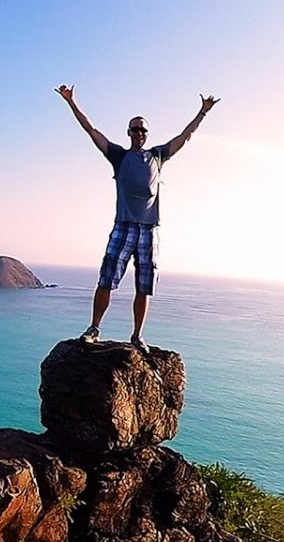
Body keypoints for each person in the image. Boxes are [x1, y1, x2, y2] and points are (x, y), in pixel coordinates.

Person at [55, 84, 218, 354]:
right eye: (135, 129)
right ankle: (94, 328)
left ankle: (137, 336)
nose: (139, 133)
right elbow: (91, 130)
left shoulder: (158, 156)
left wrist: (202, 112)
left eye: (143, 129)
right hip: (124, 225)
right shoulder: (118, 156)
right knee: (107, 277)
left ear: (147, 134)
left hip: (149, 229)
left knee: (145, 284)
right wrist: (71, 102)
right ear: (129, 133)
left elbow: (184, 137)